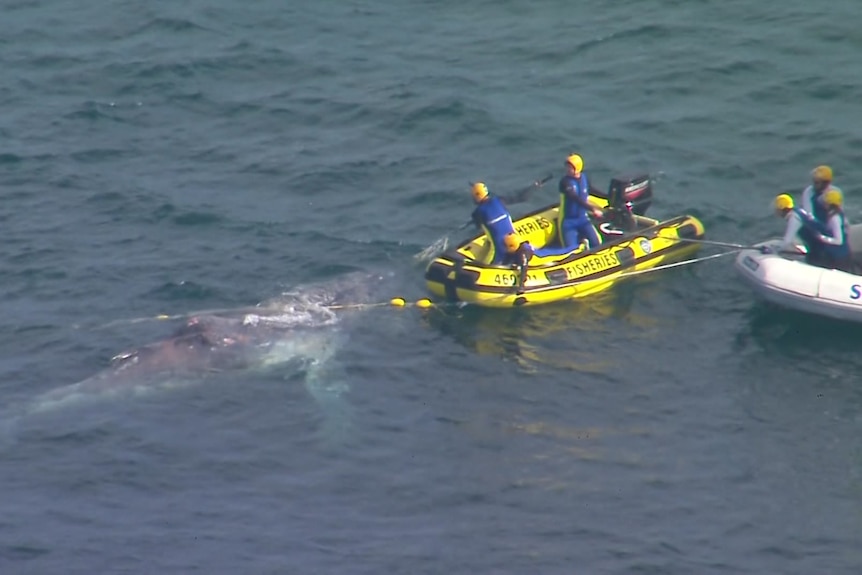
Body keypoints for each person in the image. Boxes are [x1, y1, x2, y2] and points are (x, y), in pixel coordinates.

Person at [558, 154, 604, 249]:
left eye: (570, 168)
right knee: (570, 250)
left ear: (577, 168)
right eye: (567, 167)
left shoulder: (584, 178)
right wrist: (592, 209)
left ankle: (584, 243)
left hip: (583, 219)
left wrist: (607, 197)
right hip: (568, 221)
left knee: (596, 243)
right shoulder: (565, 182)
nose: (567, 170)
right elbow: (575, 198)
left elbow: (591, 190)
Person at [470, 182, 516, 264]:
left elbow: (479, 227)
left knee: (485, 264)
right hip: (514, 244)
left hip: (498, 252)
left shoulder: (477, 213)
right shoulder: (499, 200)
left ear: (476, 196)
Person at [770, 193, 824, 264]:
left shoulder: (794, 219)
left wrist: (774, 250)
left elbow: (787, 242)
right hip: (818, 246)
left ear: (782, 209)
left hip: (818, 251)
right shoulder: (798, 212)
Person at [808, 189, 853, 272]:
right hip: (843, 253)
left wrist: (822, 238)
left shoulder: (834, 218)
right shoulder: (840, 214)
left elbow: (839, 240)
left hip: (838, 256)